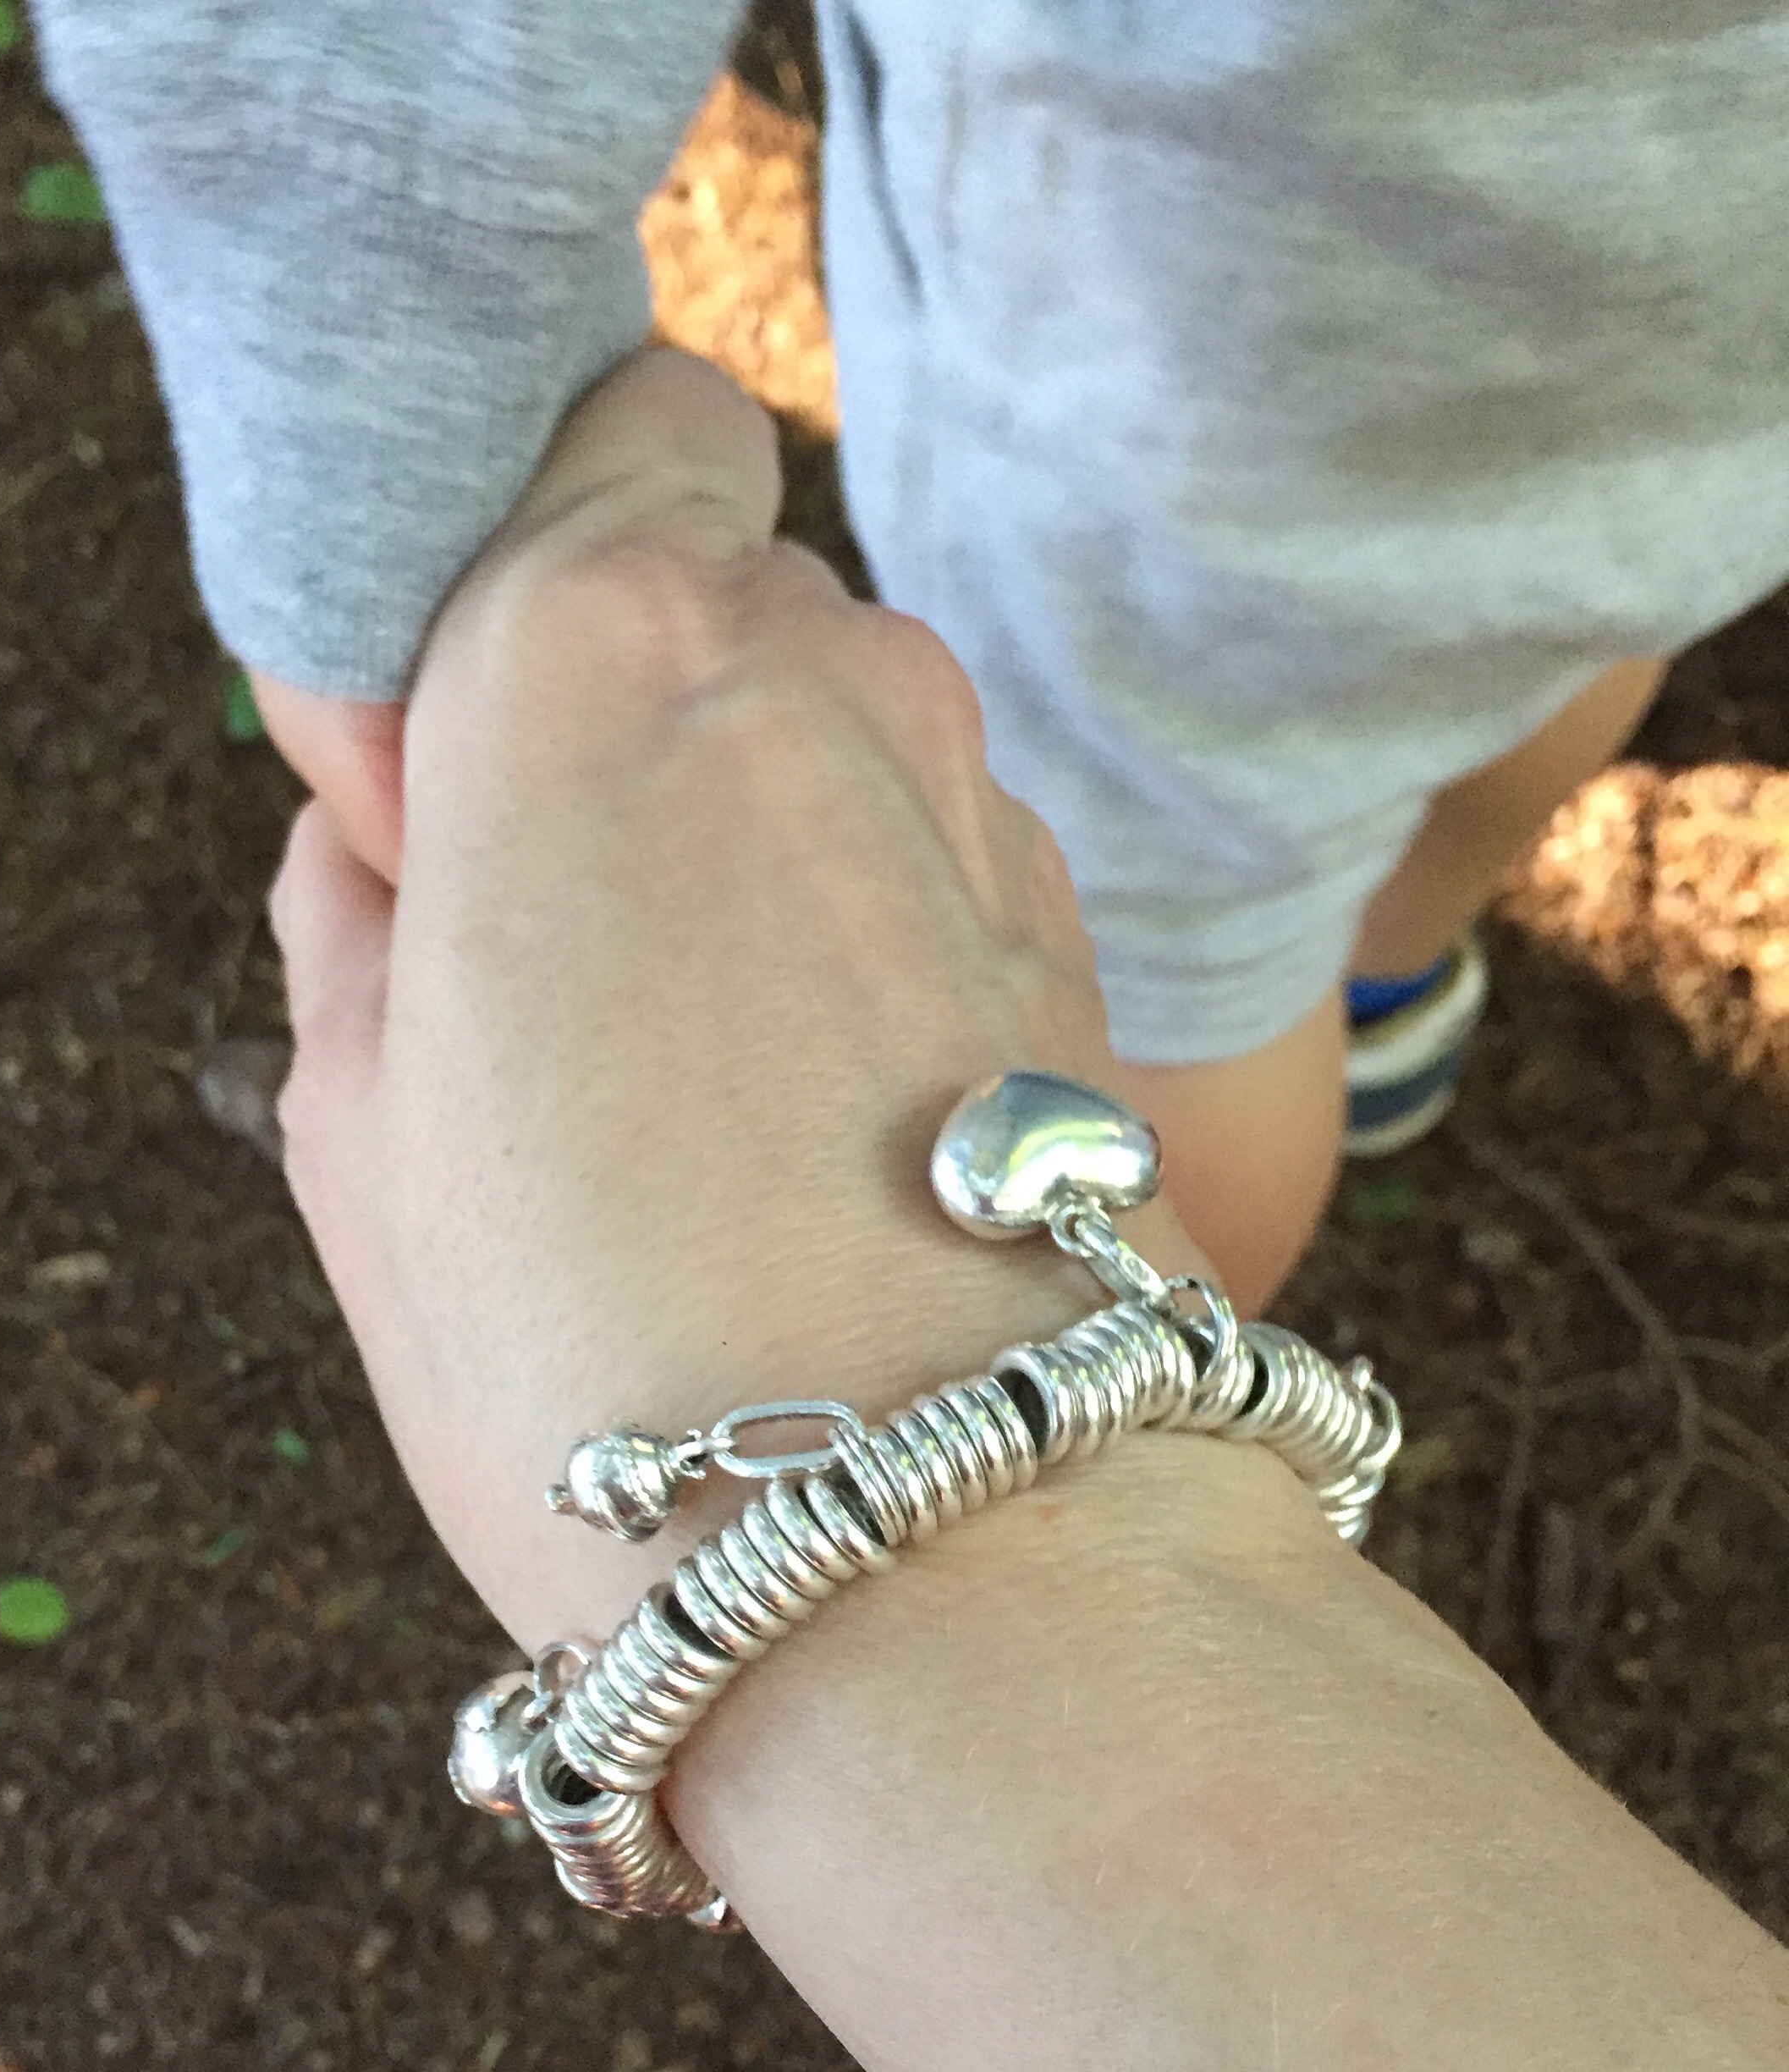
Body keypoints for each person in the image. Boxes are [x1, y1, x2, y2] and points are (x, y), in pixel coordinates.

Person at [269, 344, 1789, 2067]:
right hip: (1670, 423)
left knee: (1192, 953)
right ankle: (1387, 979)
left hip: (1171, 480)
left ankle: (1338, 1011)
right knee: (1520, 670)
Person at [27, 0, 1789, 1311]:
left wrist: (366, 535)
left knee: (1133, 978)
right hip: (1708, 324)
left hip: (1204, 376)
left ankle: (1090, 1399)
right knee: (1547, 622)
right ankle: (1392, 976)